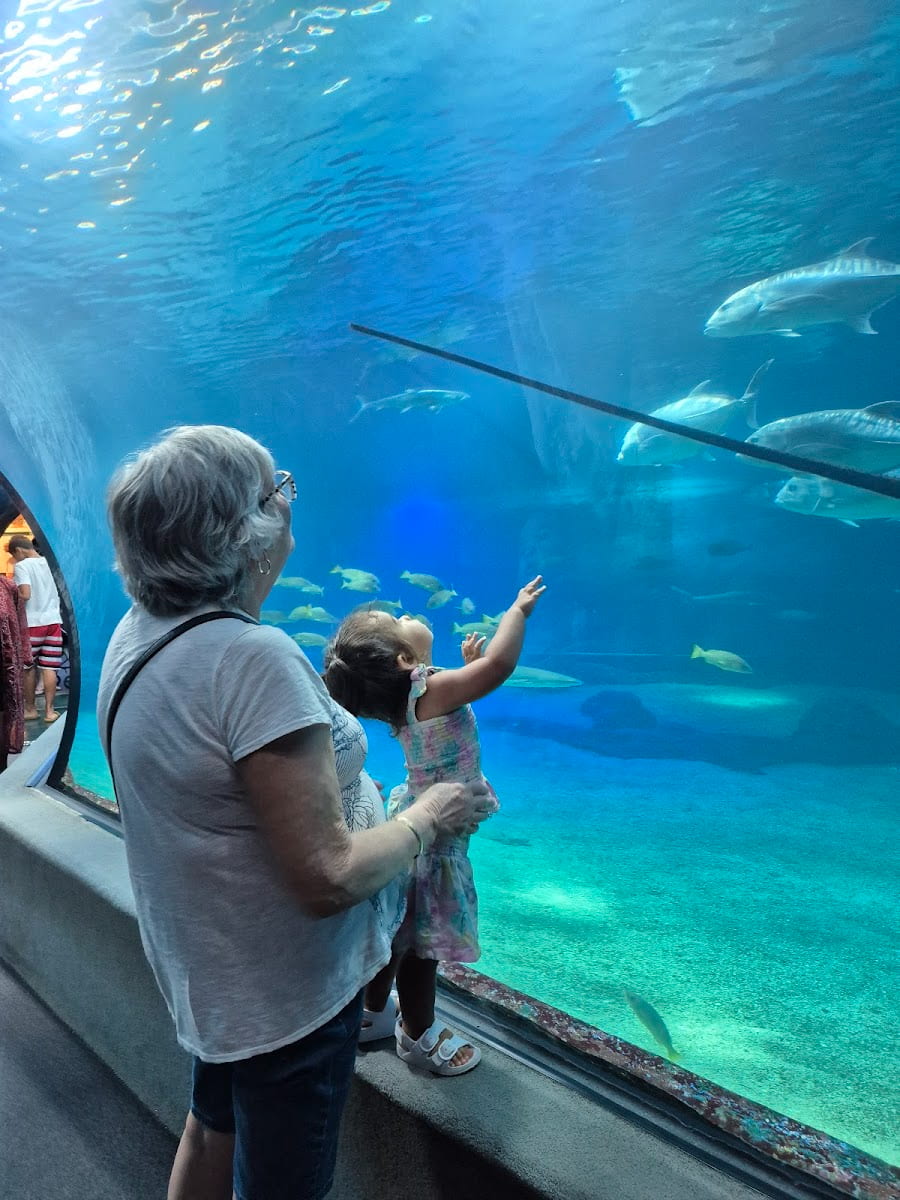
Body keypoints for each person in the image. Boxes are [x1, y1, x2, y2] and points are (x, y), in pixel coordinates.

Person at [97, 425, 492, 1200]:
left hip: (212, 965)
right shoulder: (252, 658)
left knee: (211, 1128)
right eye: (279, 490)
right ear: (245, 534)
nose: (289, 504)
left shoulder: (136, 633)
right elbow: (326, 877)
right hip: (287, 994)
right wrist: (430, 814)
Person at [323, 575, 545, 1076]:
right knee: (423, 947)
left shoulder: (409, 698)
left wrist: (463, 669)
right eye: (397, 623)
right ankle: (418, 1035)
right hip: (438, 831)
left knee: (399, 931)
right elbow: (501, 667)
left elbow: (452, 705)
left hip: (415, 815)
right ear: (406, 662)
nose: (406, 617)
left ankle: (373, 1013)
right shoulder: (430, 690)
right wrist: (517, 612)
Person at [7, 533, 63, 722]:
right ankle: (49, 712)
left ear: (19, 550)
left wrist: (9, 593)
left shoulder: (22, 566)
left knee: (28, 667)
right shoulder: (51, 562)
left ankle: (30, 710)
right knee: (49, 668)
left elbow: (26, 594)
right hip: (54, 622)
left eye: (15, 555)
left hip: (31, 624)